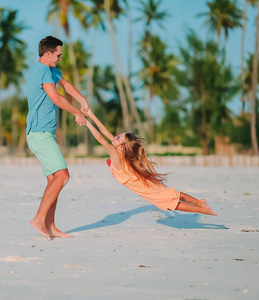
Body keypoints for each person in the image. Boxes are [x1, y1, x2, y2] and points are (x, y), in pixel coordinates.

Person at [83, 109, 218, 216]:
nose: (116, 136)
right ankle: (198, 202)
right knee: (170, 194)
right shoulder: (120, 152)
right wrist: (90, 114)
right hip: (143, 183)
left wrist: (87, 123)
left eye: (118, 137)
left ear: (121, 146)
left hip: (146, 189)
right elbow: (104, 131)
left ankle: (202, 209)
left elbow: (101, 138)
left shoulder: (115, 155)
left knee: (170, 200)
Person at [26, 36, 89, 239]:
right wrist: (76, 113)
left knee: (54, 179)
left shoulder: (50, 70)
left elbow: (65, 84)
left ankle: (50, 226)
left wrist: (82, 100)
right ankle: (38, 219)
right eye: (58, 55)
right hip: (39, 134)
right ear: (48, 53)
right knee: (63, 176)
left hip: (44, 134)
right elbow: (56, 97)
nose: (60, 58)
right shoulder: (42, 70)